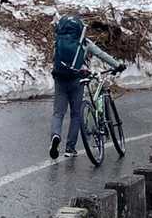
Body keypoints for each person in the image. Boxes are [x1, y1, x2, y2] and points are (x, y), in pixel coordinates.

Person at [50, 15, 124, 159]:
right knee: (76, 114)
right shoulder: (84, 43)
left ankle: (55, 135)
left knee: (58, 113)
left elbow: (55, 59)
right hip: (76, 80)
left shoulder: (59, 40)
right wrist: (117, 65)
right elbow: (101, 54)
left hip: (60, 79)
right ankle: (70, 148)